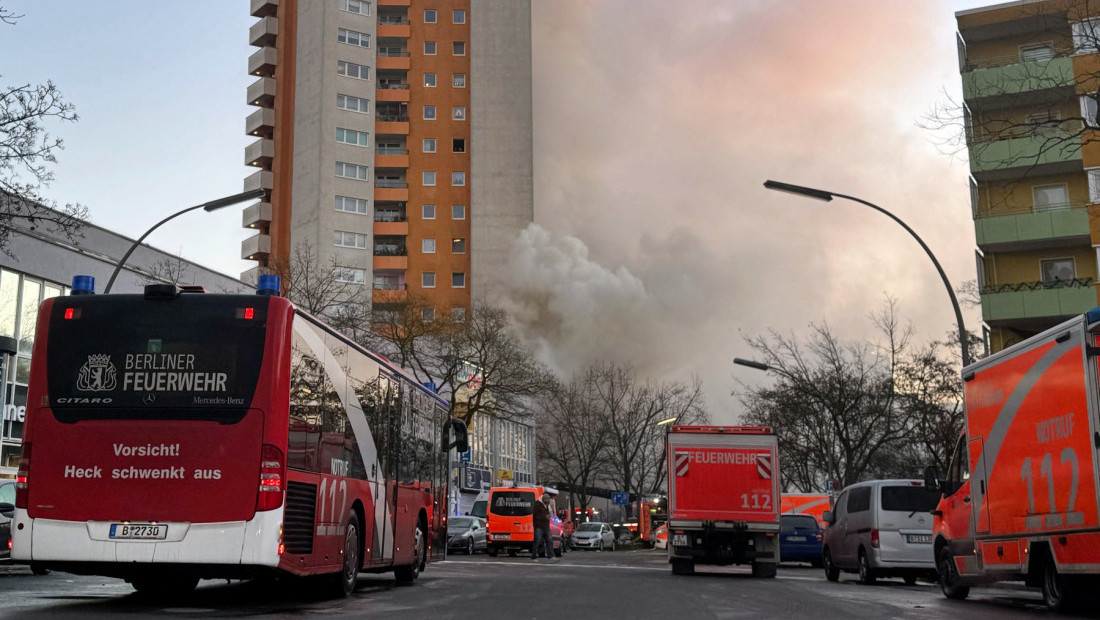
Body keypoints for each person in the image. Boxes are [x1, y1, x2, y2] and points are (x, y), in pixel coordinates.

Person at [532, 493, 555, 561]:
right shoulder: (537, 504)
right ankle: (534, 556)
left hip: (546, 525)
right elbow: (536, 515)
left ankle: (550, 556)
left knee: (549, 540)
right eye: (547, 500)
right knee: (537, 541)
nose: (548, 501)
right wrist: (545, 517)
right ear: (543, 499)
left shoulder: (546, 505)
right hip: (539, 526)